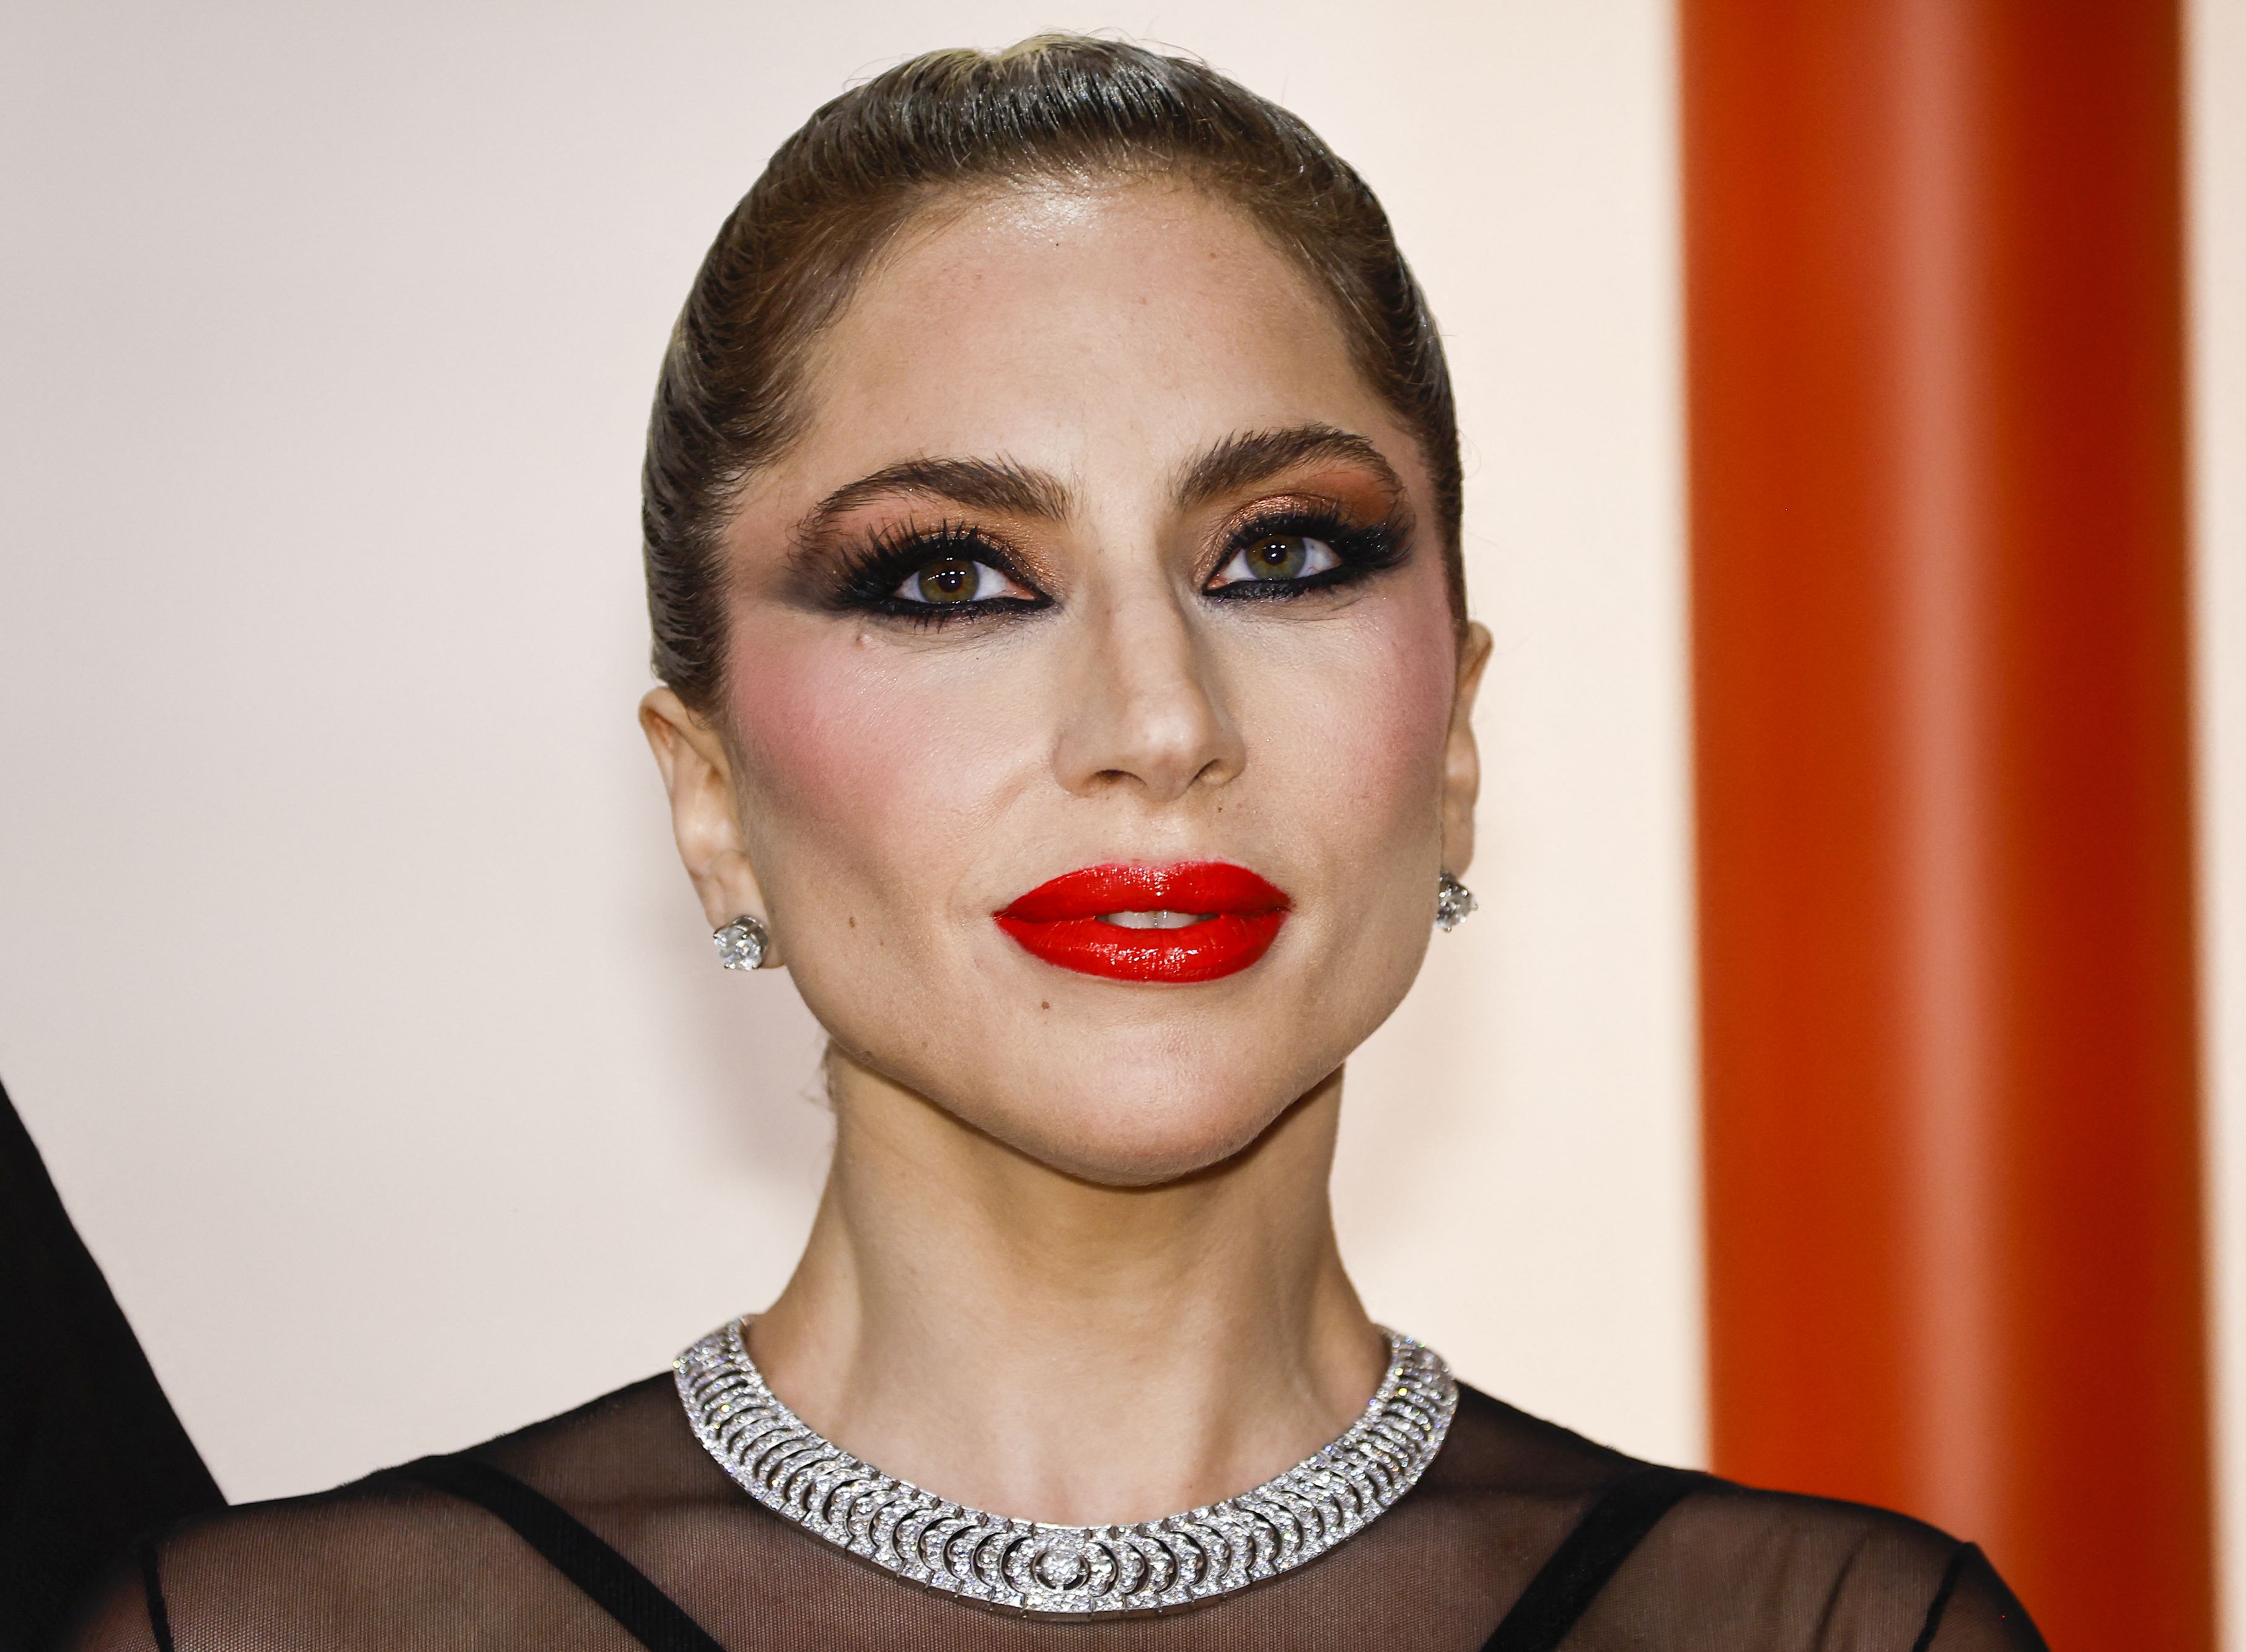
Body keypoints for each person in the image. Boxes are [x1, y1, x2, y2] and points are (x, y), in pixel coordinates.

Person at [58, 37, 2042, 1651]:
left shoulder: (1833, 1632)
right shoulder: (256, 1638)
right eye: (949, 579)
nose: (1158, 724)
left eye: (1280, 555)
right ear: (710, 796)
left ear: (1455, 740)